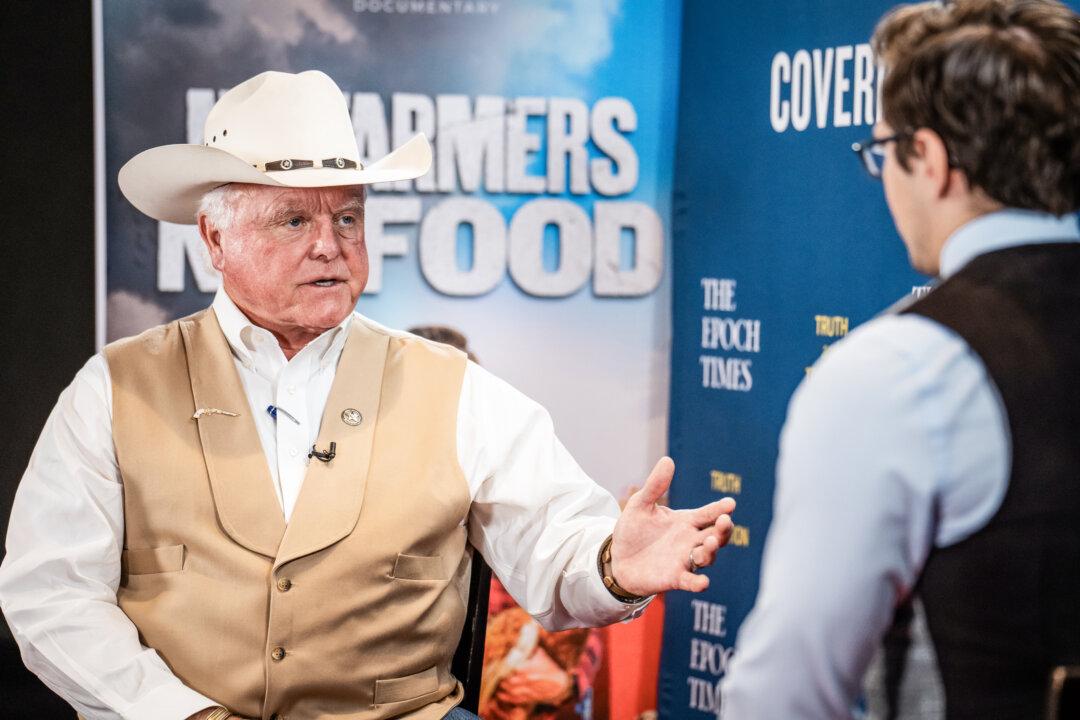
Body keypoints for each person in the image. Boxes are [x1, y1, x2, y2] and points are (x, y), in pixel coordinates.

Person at [0, 70, 736, 720]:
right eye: (294, 219)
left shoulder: (457, 389)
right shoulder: (112, 389)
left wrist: (614, 565)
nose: (329, 244)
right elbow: (52, 596)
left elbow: (558, 546)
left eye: (347, 217)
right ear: (215, 240)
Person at [721, 1, 1080, 718]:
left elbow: (785, 693)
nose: (881, 173)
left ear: (934, 161)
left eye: (882, 150)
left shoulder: (901, 368)